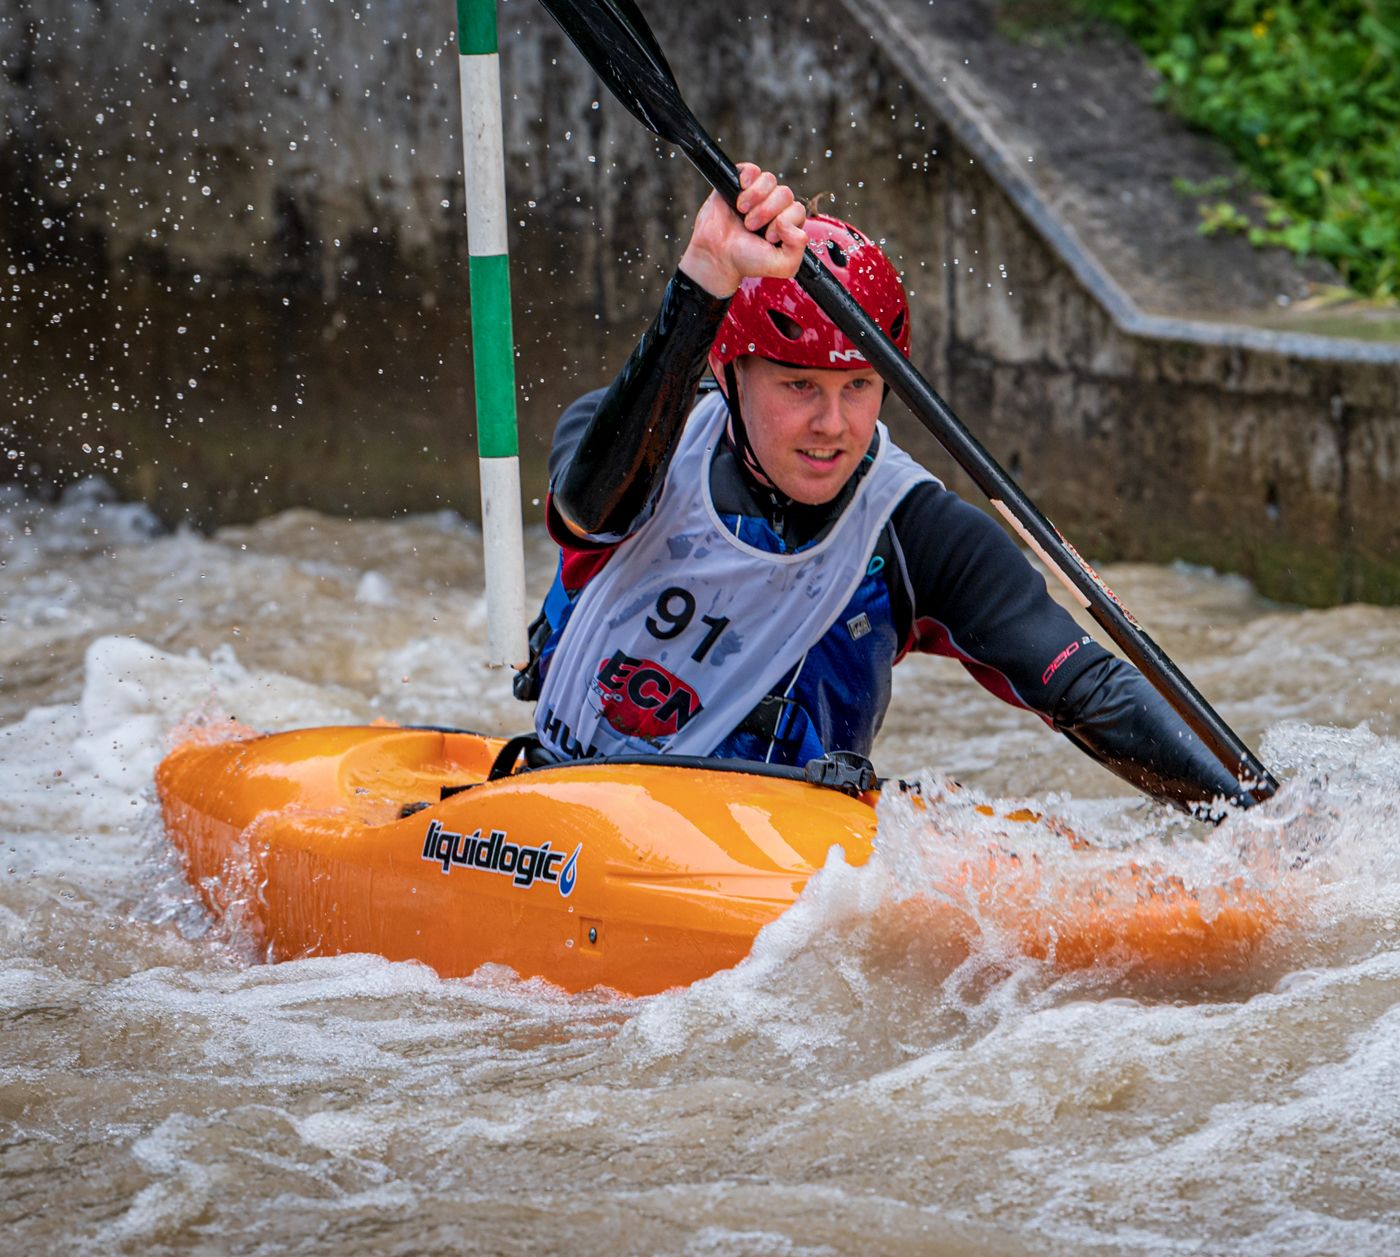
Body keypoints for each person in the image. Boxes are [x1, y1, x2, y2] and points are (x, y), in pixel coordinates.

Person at [518, 163, 1253, 814]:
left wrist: (1248, 812)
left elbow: (1086, 689)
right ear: (730, 369)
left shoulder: (917, 534)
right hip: (558, 801)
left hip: (760, 863)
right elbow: (587, 512)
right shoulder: (636, 442)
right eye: (799, 384)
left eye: (859, 385)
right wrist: (706, 275)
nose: (832, 424)